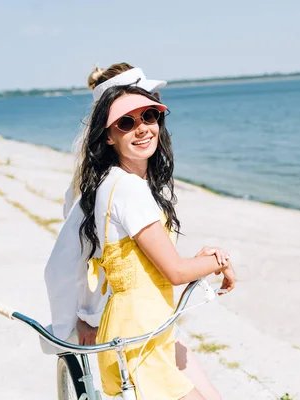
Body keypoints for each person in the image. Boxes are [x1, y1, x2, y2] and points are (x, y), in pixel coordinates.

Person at [76, 63, 235, 400]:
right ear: (108, 135)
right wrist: (220, 261)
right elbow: (175, 272)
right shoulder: (129, 188)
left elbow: (146, 266)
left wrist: (201, 258)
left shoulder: (111, 183)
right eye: (126, 122)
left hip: (142, 329)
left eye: (149, 116)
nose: (143, 128)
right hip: (139, 336)